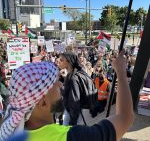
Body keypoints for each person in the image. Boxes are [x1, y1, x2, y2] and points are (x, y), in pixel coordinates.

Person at [0, 51, 134, 141]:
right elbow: (125, 118)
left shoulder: (13, 135)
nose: (61, 86)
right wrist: (121, 73)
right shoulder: (70, 136)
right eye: (55, 83)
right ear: (43, 103)